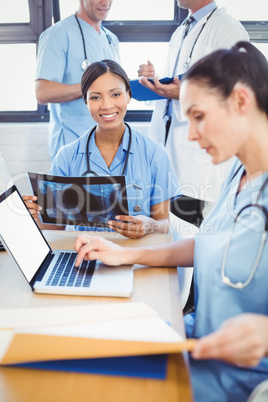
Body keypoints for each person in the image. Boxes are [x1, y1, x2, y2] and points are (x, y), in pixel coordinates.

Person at [73, 42, 268, 400]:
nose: (191, 135)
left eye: (197, 116)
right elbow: (207, 243)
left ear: (241, 101)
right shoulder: (239, 173)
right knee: (80, 353)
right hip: (193, 342)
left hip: (237, 380)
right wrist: (125, 254)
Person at [29, 59, 178, 239]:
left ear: (129, 96)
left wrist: (150, 226)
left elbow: (164, 224)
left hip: (137, 257)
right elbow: (54, 227)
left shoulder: (154, 154)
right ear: (86, 101)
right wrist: (34, 216)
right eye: (95, 97)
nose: (107, 105)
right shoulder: (66, 157)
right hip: (86, 257)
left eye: (115, 94)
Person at [137, 0, 249, 226]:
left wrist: (187, 93)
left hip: (201, 168)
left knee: (198, 245)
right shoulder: (181, 31)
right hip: (172, 161)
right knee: (173, 239)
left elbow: (237, 93)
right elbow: (177, 87)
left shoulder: (228, 29)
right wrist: (153, 83)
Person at [35, 0, 120, 160]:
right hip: (71, 149)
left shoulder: (111, 39)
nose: (105, 2)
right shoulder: (58, 34)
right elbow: (42, 92)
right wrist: (91, 86)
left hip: (107, 150)